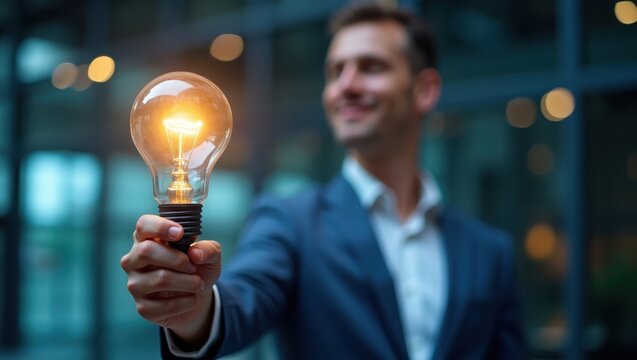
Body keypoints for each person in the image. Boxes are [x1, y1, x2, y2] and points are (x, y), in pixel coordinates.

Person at [121, 3, 524, 359]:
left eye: (371, 66)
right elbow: (246, 297)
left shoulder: (489, 252)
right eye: (335, 71)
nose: (345, 86)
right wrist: (194, 311)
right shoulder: (290, 222)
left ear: (424, 90)